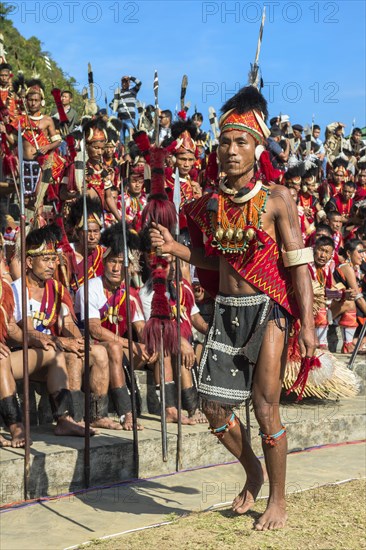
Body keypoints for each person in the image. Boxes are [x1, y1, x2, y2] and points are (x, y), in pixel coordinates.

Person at [150, 86, 315, 530]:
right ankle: (253, 471)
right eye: (224, 141)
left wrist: (310, 323)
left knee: (265, 408)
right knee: (214, 408)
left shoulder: (277, 199)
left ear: (258, 147)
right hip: (226, 310)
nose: (230, 150)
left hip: (269, 310)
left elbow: (298, 263)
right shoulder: (208, 203)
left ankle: (278, 500)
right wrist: (174, 248)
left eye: (241, 141)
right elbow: (214, 259)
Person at [11, 225, 117, 430]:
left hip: (52, 347)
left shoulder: (57, 289)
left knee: (99, 352)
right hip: (29, 351)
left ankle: (97, 414)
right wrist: (65, 343)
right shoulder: (18, 289)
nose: (51, 265)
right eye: (46, 260)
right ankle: (72, 419)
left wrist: (78, 341)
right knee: (70, 356)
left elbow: (68, 323)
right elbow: (30, 331)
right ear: (29, 261)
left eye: (53, 259)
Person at [75, 222, 153, 430]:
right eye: (112, 262)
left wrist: (152, 343)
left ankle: (173, 409)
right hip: (89, 348)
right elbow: (94, 329)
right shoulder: (90, 288)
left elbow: (140, 326)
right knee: (117, 348)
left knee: (159, 351)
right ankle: (126, 413)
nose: (117, 268)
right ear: (104, 262)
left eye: (121, 262)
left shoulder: (129, 293)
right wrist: (128, 343)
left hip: (115, 350)